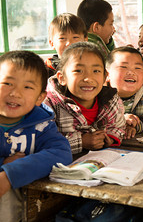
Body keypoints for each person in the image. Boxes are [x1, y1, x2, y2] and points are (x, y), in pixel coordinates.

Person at [0, 51, 72, 221]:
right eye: (7, 83)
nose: (15, 93)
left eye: (27, 87)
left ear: (40, 97)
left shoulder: (41, 124)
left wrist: (10, 174)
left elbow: (61, 152)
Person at [44, 42, 126, 154]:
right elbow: (44, 141)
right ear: (62, 78)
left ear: (105, 77)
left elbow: (119, 125)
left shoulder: (111, 100)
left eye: (96, 71)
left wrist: (110, 137)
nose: (88, 78)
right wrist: (81, 141)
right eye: (78, 71)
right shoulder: (49, 104)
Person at [46, 13, 88, 77]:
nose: (69, 43)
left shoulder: (92, 67)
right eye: (62, 38)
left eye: (75, 37)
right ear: (52, 43)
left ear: (85, 40)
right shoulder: (46, 71)